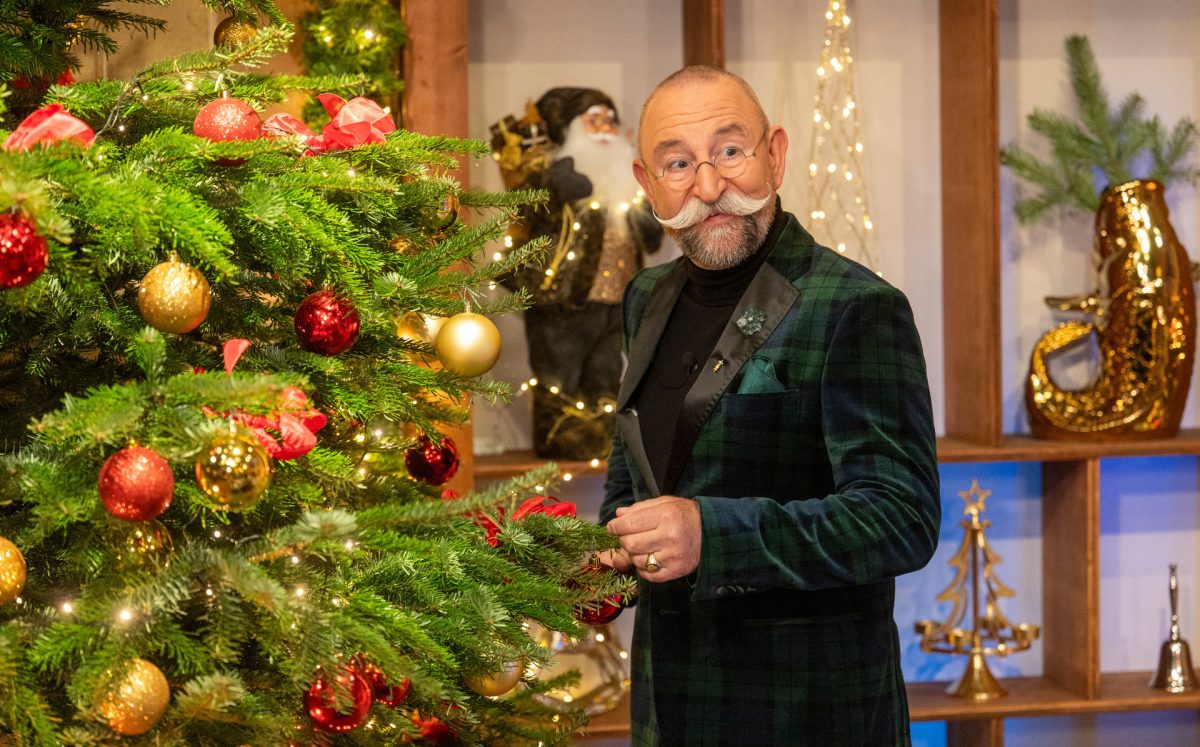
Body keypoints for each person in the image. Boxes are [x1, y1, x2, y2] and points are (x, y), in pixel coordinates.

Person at [599, 66, 941, 746]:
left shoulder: (856, 306)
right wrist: (605, 552)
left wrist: (712, 534)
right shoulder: (644, 298)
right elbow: (636, 471)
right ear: (647, 182)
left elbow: (902, 517)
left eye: (730, 151)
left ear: (775, 155)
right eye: (678, 163)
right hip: (669, 708)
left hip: (811, 714)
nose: (708, 187)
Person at [490, 88, 663, 459]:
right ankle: (560, 433)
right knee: (560, 370)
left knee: (605, 370)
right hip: (563, 297)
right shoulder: (552, 176)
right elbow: (528, 216)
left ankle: (601, 433)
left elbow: (650, 237)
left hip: (616, 298)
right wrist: (557, 183)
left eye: (610, 120)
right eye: (593, 120)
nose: (605, 129)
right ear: (571, 129)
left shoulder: (627, 182)